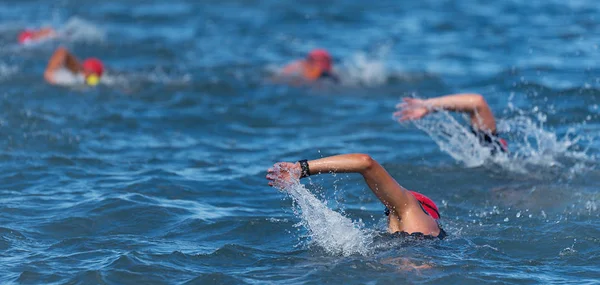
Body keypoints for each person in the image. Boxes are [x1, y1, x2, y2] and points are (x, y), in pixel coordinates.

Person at [266, 153, 446, 240]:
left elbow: (365, 163)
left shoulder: (409, 209)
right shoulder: (431, 235)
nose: (388, 214)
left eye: (389, 209)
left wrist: (302, 169)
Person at [394, 93, 508, 153]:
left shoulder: (491, 152)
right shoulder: (493, 151)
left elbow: (478, 103)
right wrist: (428, 105)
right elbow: (477, 103)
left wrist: (429, 105)